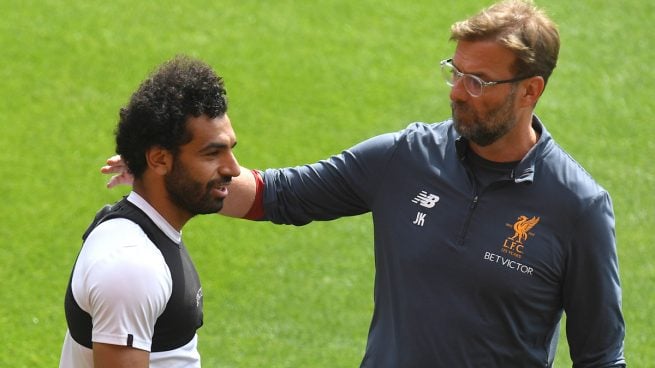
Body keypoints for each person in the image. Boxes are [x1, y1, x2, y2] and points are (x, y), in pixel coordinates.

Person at [104, 1, 626, 366]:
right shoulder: (406, 157)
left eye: (480, 82)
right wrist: (170, 174)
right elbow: (276, 194)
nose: (458, 93)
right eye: (455, 71)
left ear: (531, 90)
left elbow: (601, 356)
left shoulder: (578, 207)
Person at [61, 55, 241, 368]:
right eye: (213, 153)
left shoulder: (145, 230)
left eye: (231, 150)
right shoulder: (131, 265)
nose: (234, 169)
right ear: (159, 160)